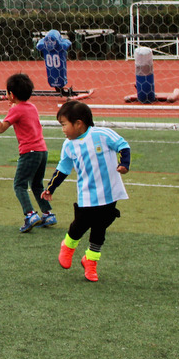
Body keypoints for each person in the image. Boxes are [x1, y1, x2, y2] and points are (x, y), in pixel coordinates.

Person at [41, 100, 129, 282]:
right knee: (80, 225)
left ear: (79, 123)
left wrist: (124, 164)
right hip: (87, 195)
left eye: (64, 124)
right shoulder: (69, 145)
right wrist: (51, 188)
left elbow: (123, 146)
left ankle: (91, 260)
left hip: (110, 193)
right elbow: (63, 169)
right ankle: (68, 246)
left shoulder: (102, 135)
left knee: (100, 228)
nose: (63, 129)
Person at [0, 73, 54, 233]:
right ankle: (47, 214)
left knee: (19, 185)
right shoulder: (32, 107)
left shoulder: (16, 109)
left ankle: (30, 214)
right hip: (42, 150)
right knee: (36, 184)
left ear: (12, 94)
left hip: (29, 152)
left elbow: (0, 128)